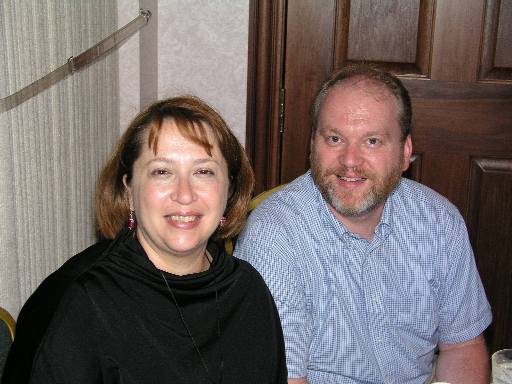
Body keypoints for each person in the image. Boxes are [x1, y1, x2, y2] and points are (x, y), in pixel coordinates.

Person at [234, 64, 492, 384]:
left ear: (404, 152)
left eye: (372, 141)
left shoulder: (439, 221)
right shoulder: (272, 238)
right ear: (313, 144)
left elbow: (463, 345)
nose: (350, 161)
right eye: (334, 138)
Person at [15, 96, 286, 383]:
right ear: (129, 190)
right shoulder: (83, 303)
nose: (184, 194)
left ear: (229, 190)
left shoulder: (247, 290)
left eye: (203, 172)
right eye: (162, 172)